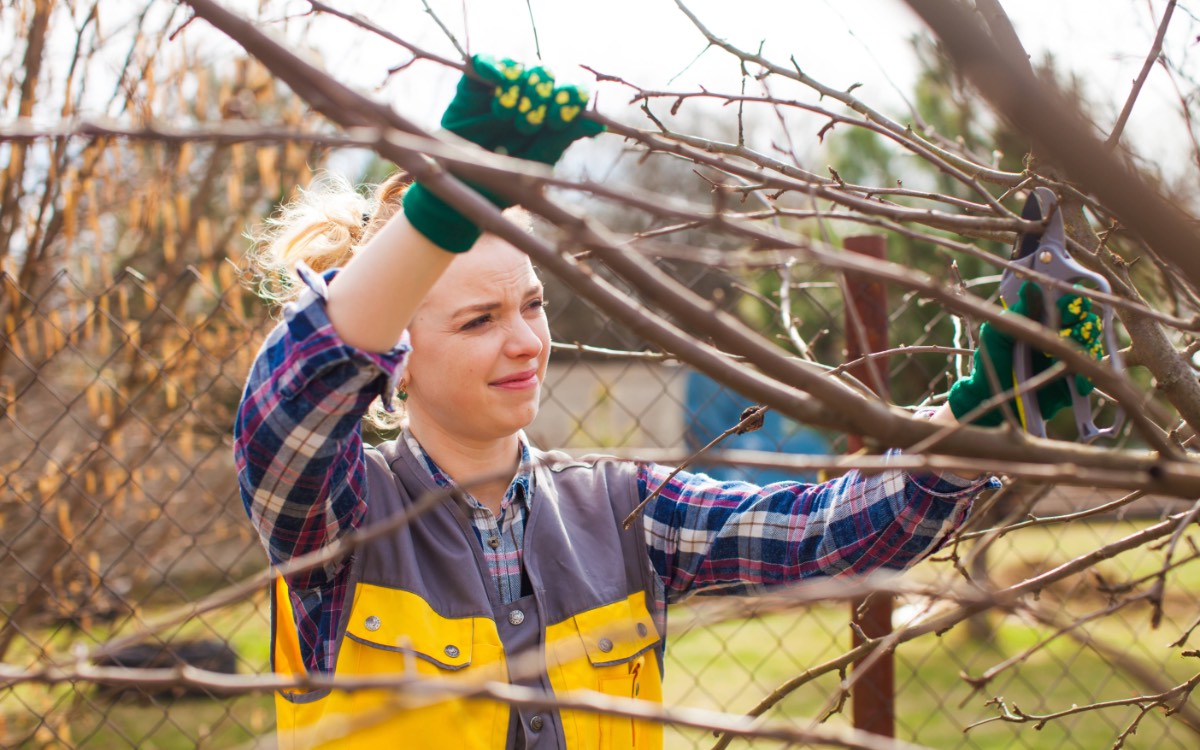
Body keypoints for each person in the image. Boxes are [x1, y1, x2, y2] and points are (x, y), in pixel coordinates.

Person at [235, 56, 1104, 750]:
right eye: (479, 320)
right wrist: (440, 205)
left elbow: (828, 533)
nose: (527, 341)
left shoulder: (623, 512)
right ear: (400, 363)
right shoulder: (339, 529)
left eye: (533, 305)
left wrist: (989, 417)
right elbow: (292, 402)